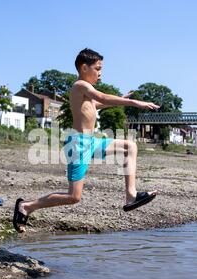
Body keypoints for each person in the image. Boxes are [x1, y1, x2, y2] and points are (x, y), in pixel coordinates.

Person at [13, 48, 160, 233]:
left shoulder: (85, 93)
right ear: (84, 68)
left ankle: (131, 196)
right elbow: (101, 97)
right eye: (97, 68)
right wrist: (133, 103)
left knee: (130, 147)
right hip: (78, 145)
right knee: (74, 197)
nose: (100, 73)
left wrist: (120, 99)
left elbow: (98, 104)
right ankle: (26, 206)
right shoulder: (80, 86)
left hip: (91, 142)